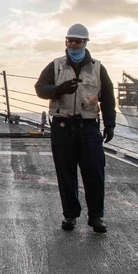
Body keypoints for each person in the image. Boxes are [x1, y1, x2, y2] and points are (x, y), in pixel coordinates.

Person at [34, 23, 115, 233]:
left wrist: (110, 123)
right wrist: (58, 89)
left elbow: (107, 97)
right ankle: (70, 215)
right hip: (63, 126)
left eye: (77, 41)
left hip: (88, 126)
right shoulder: (55, 66)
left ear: (85, 43)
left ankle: (96, 216)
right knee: (66, 172)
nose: (72, 44)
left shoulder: (97, 68)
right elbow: (40, 88)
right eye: (69, 40)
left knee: (94, 172)